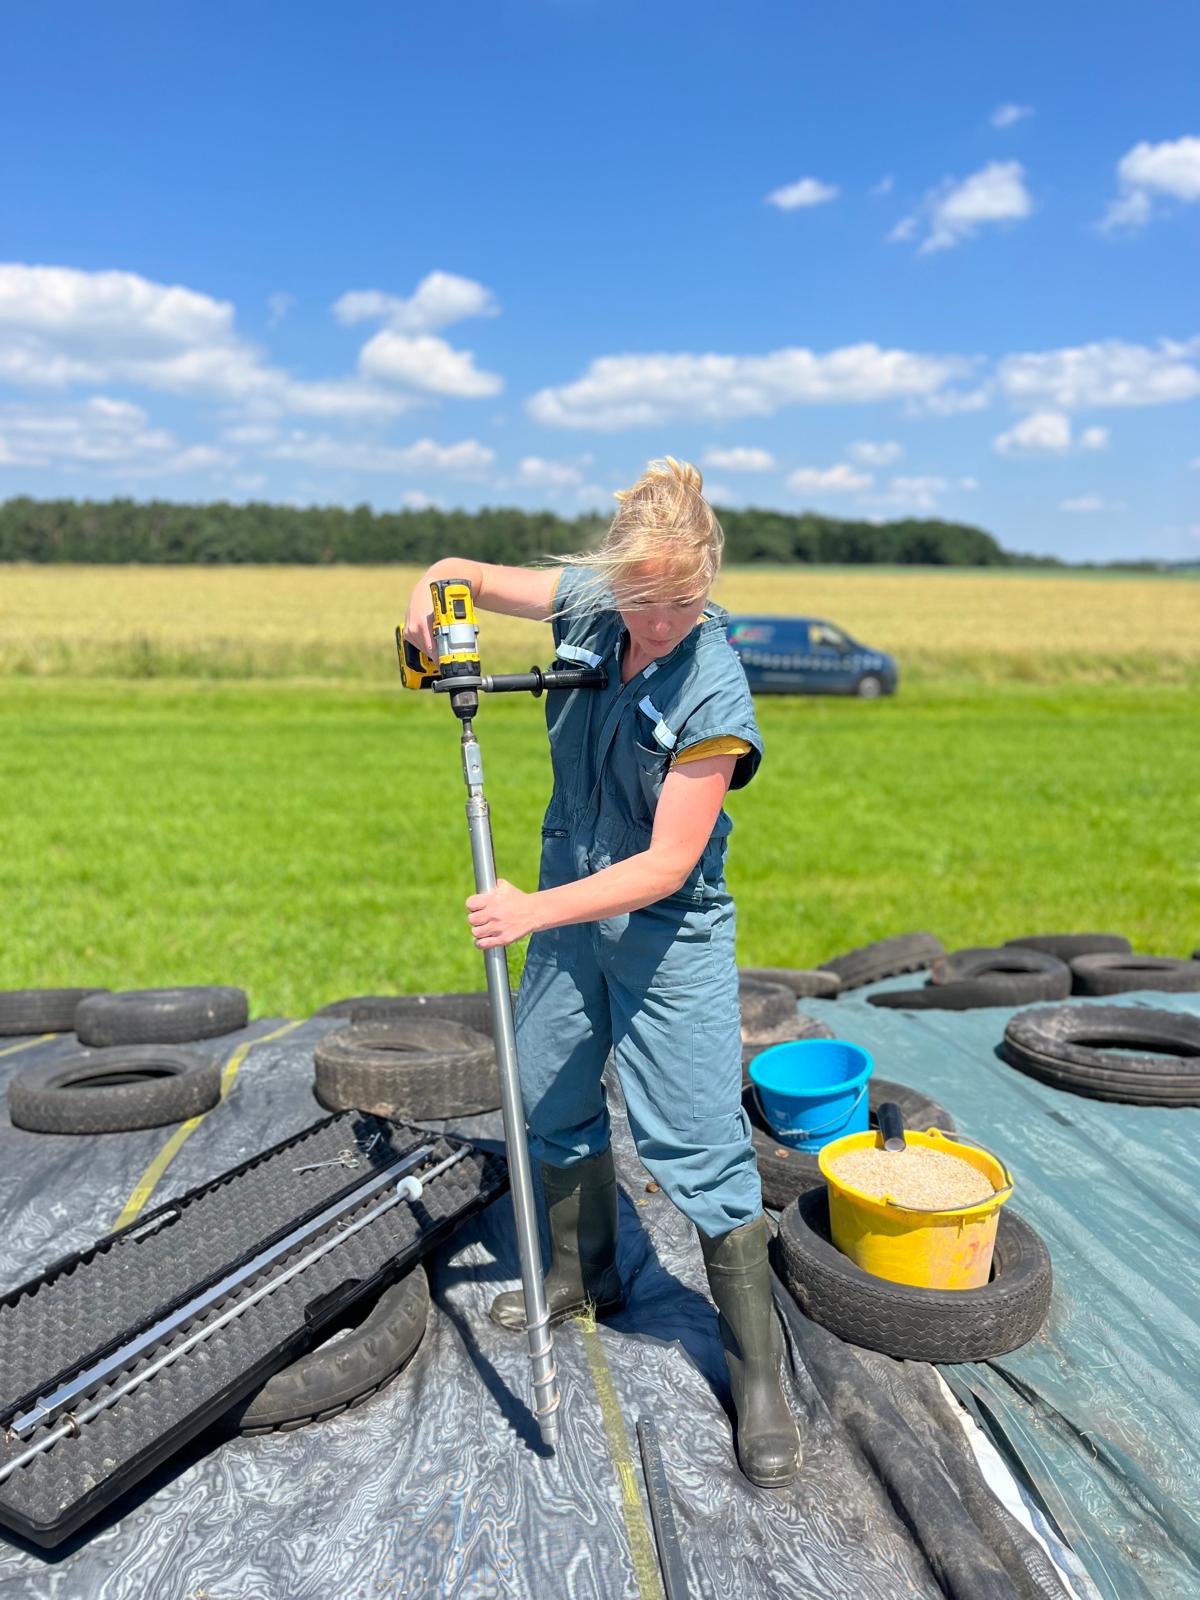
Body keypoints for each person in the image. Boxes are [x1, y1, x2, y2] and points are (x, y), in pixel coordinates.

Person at [402, 457, 801, 1488]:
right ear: (613, 576)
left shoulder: (714, 684)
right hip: (573, 909)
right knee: (546, 1088)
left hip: (667, 933)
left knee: (701, 1143)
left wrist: (531, 911)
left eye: (682, 599)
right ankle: (584, 1274)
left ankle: (761, 1379)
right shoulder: (591, 601)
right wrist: (427, 601)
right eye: (641, 597)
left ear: (708, 580)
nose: (659, 619)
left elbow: (668, 861)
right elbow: (466, 575)